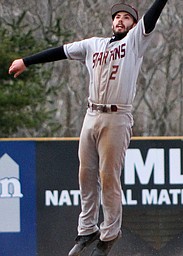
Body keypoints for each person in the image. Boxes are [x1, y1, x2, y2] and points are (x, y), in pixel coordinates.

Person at [9, 1, 168, 255]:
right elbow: (60, 50)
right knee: (85, 175)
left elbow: (152, 15)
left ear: (134, 25)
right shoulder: (93, 44)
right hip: (91, 114)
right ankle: (87, 229)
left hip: (117, 117)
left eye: (126, 18)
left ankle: (109, 234)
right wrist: (26, 61)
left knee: (108, 178)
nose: (120, 20)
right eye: (117, 16)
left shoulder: (135, 42)